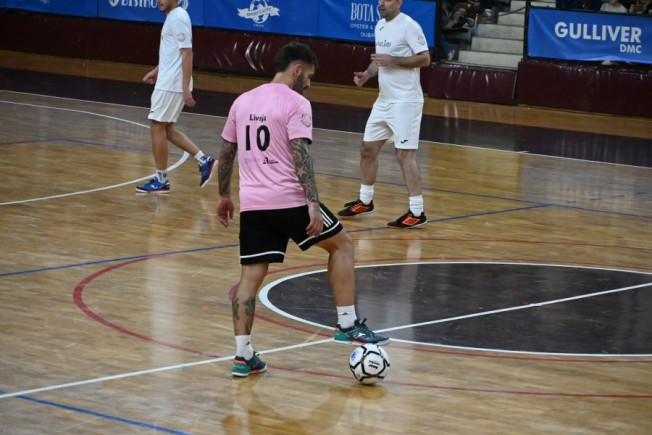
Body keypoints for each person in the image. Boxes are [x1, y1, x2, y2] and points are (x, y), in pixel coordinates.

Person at [216, 42, 390, 377]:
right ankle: (347, 324)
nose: (309, 83)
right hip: (291, 200)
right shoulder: (297, 103)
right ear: (297, 69)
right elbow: (301, 154)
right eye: (309, 76)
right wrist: (312, 202)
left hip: (253, 204)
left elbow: (226, 152)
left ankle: (242, 355)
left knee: (249, 279)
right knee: (342, 245)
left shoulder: (243, 101)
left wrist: (224, 195)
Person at [338, 0, 431, 229]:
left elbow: (425, 58)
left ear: (399, 2)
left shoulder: (409, 25)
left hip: (405, 101)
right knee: (367, 149)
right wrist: (367, 74)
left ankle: (417, 212)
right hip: (384, 100)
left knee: (404, 155)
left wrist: (395, 61)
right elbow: (380, 60)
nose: (381, 3)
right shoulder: (380, 25)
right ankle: (365, 201)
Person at [136, 0, 216, 194]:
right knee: (167, 129)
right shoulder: (173, 17)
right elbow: (173, 53)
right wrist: (157, 70)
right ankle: (204, 160)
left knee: (156, 126)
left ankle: (161, 180)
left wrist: (185, 87)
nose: (158, 0)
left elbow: (187, 53)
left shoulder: (179, 17)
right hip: (169, 81)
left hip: (171, 84)